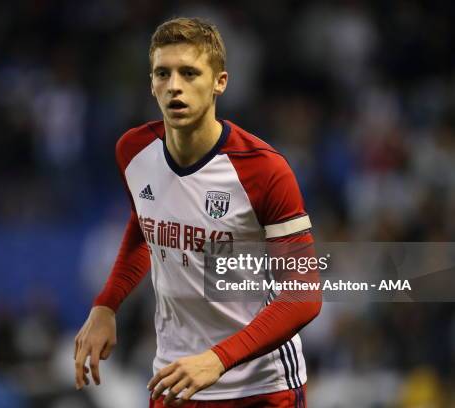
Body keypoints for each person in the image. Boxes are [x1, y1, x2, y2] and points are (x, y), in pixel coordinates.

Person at [74, 17, 321, 407]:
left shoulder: (262, 169)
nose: (175, 86)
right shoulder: (133, 152)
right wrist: (106, 305)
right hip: (175, 382)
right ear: (151, 83)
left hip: (260, 387)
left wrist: (217, 360)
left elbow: (304, 295)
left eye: (189, 73)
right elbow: (147, 229)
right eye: (163, 74)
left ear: (220, 82)